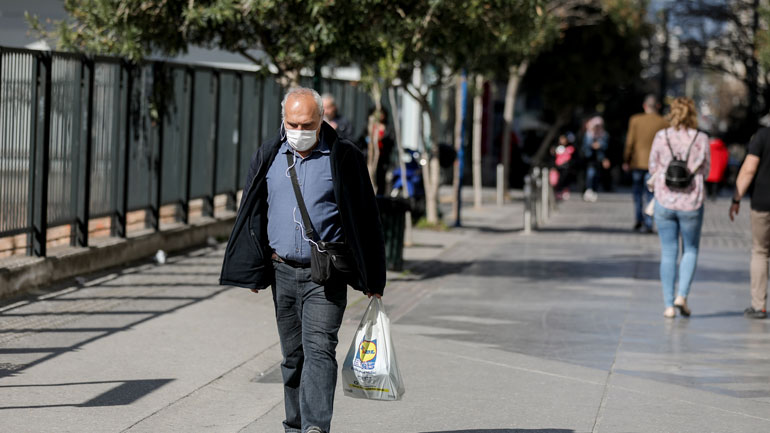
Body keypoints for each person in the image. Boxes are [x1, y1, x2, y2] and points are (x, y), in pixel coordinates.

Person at [220, 87, 386, 433]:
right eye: (292, 123)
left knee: (320, 350)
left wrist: (374, 278)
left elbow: (366, 218)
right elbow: (253, 213)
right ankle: (294, 426)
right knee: (293, 357)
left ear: (321, 119)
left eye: (307, 123)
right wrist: (253, 269)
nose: (299, 130)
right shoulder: (269, 154)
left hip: (325, 274)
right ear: (284, 120)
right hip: (282, 271)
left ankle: (314, 428)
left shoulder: (344, 157)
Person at [648, 97, 710, 318]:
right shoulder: (701, 139)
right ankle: (681, 295)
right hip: (691, 201)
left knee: (668, 252)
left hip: (664, 200)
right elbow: (706, 171)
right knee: (690, 249)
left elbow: (652, 166)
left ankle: (667, 305)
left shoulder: (662, 136)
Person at [729, 128, 770, 319]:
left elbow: (749, 169)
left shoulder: (762, 136)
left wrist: (736, 199)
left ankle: (758, 305)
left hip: (763, 204)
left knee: (760, 251)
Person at [623, 94, 668, 233]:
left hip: (637, 161)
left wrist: (626, 159)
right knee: (651, 193)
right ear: (658, 106)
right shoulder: (663, 122)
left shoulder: (635, 120)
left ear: (644, 106)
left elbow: (630, 141)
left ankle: (638, 219)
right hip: (655, 164)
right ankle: (648, 222)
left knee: (637, 193)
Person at [581, 116, 609, 202]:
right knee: (590, 174)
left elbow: (606, 147)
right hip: (589, 159)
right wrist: (592, 145)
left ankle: (593, 191)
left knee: (597, 176)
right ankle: (588, 189)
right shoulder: (588, 134)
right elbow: (584, 147)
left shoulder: (604, 135)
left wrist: (600, 146)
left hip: (599, 159)